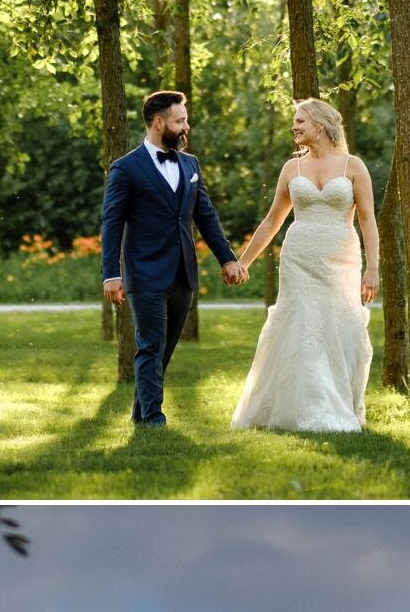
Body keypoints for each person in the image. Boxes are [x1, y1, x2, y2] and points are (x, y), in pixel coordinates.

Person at [101, 82, 249, 427]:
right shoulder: (125, 168)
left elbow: (206, 216)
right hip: (145, 272)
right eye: (180, 121)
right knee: (150, 345)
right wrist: (112, 273)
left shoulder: (191, 164)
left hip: (183, 272)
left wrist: (227, 258)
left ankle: (141, 412)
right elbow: (111, 223)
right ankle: (153, 418)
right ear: (158, 123)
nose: (186, 127)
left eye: (185, 120)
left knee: (163, 349)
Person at [229, 96, 378, 434]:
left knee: (339, 330)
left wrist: (373, 268)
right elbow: (271, 222)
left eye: (300, 121)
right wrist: (243, 261)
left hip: (341, 260)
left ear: (321, 125)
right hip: (298, 259)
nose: (294, 126)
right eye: (294, 121)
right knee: (303, 329)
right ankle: (304, 408)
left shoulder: (353, 166)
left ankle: (338, 405)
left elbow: (368, 220)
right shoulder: (291, 168)